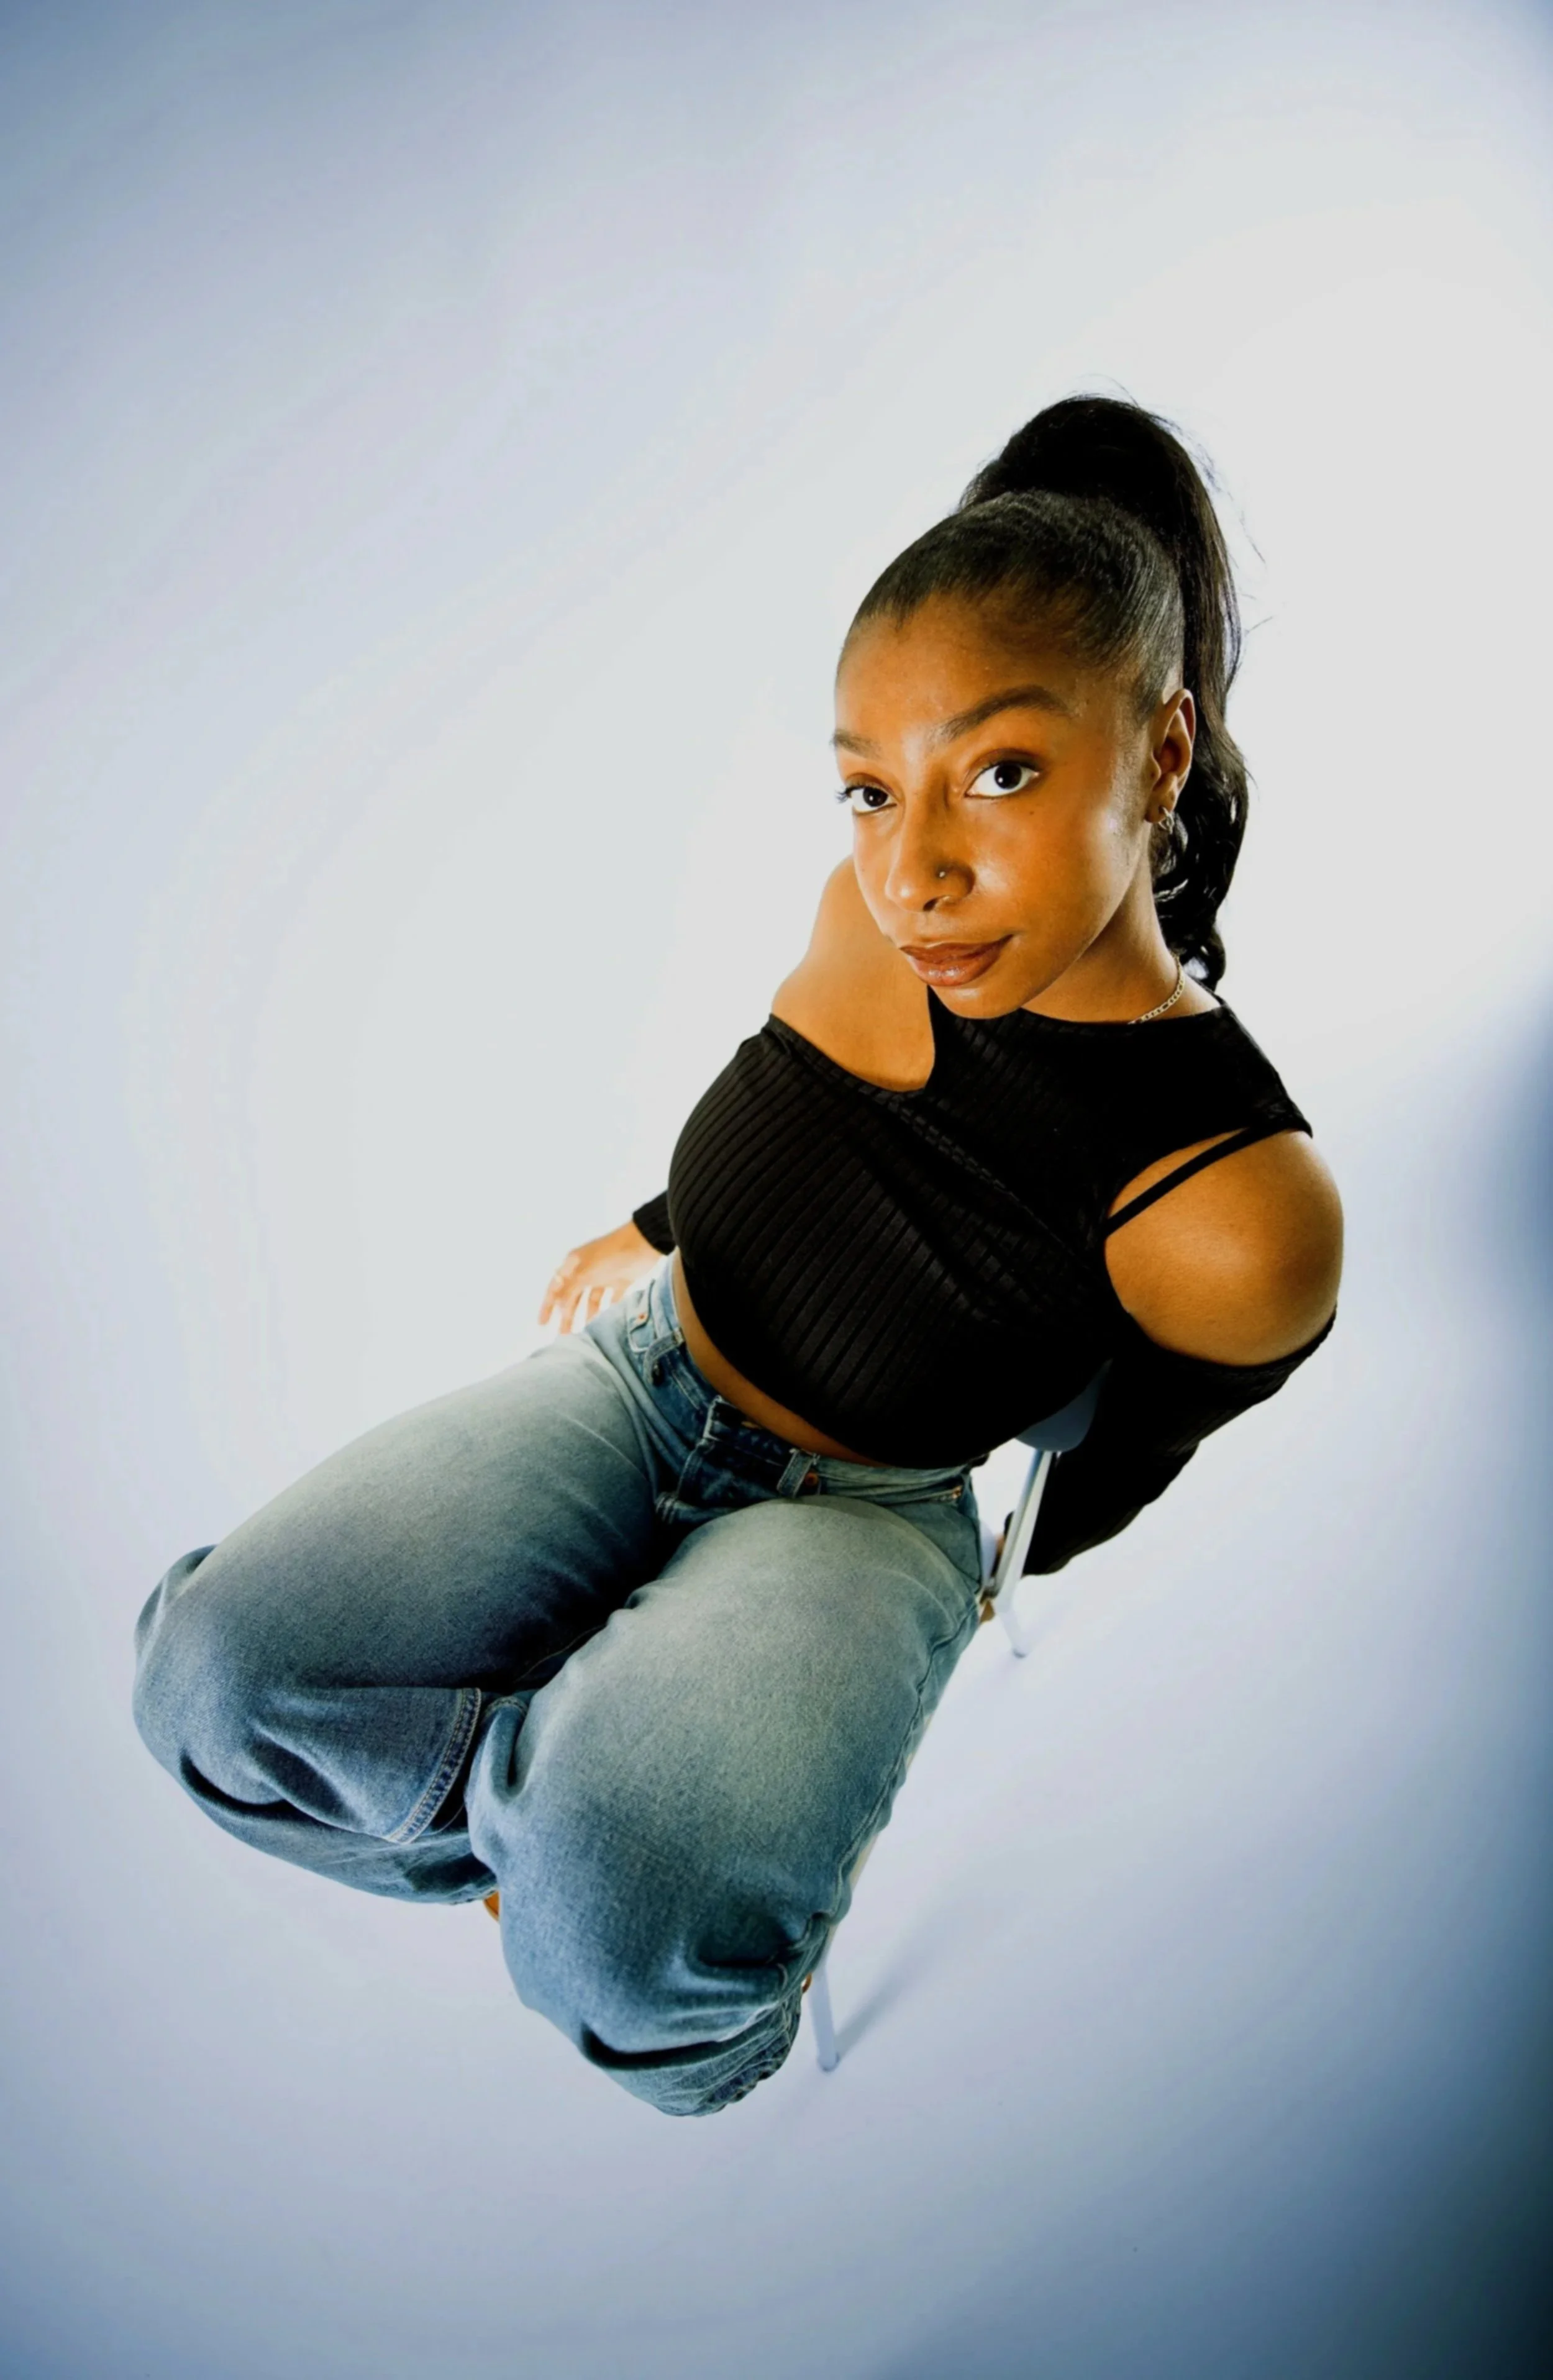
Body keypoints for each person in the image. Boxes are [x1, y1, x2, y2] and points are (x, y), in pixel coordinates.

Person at [132, 395, 1342, 2117]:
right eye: (868, 786)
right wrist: (654, 1225)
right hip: (642, 1381)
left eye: (999, 771)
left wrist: (970, 1575)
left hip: (862, 1508)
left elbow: (1107, 1459)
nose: (912, 870)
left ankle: (636, 1924)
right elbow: (795, 1106)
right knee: (210, 1680)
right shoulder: (869, 909)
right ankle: (542, 1831)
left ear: (1155, 755)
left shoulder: (1239, 1209)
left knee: (627, 1955)